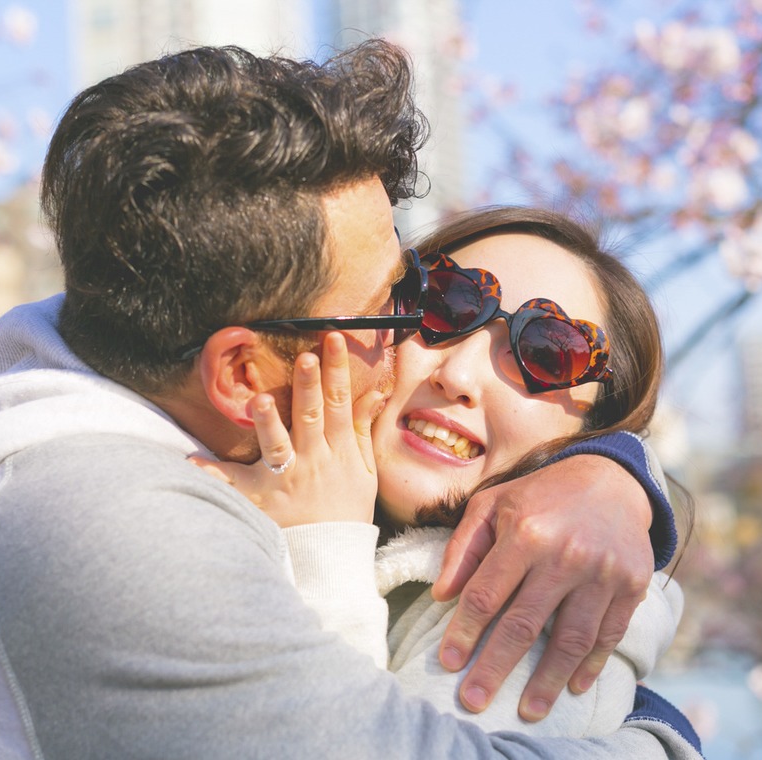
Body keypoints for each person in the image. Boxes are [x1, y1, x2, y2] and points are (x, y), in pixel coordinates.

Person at [0, 41, 700, 757]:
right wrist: (663, 739)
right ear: (242, 374)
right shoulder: (110, 524)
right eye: (435, 302)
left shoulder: (558, 575)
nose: (449, 363)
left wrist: (617, 473)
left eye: (546, 354)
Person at [200, 206, 695, 741]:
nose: (459, 375)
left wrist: (323, 547)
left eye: (549, 352)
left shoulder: (559, 591)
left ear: (595, 426)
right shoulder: (227, 439)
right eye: (446, 303)